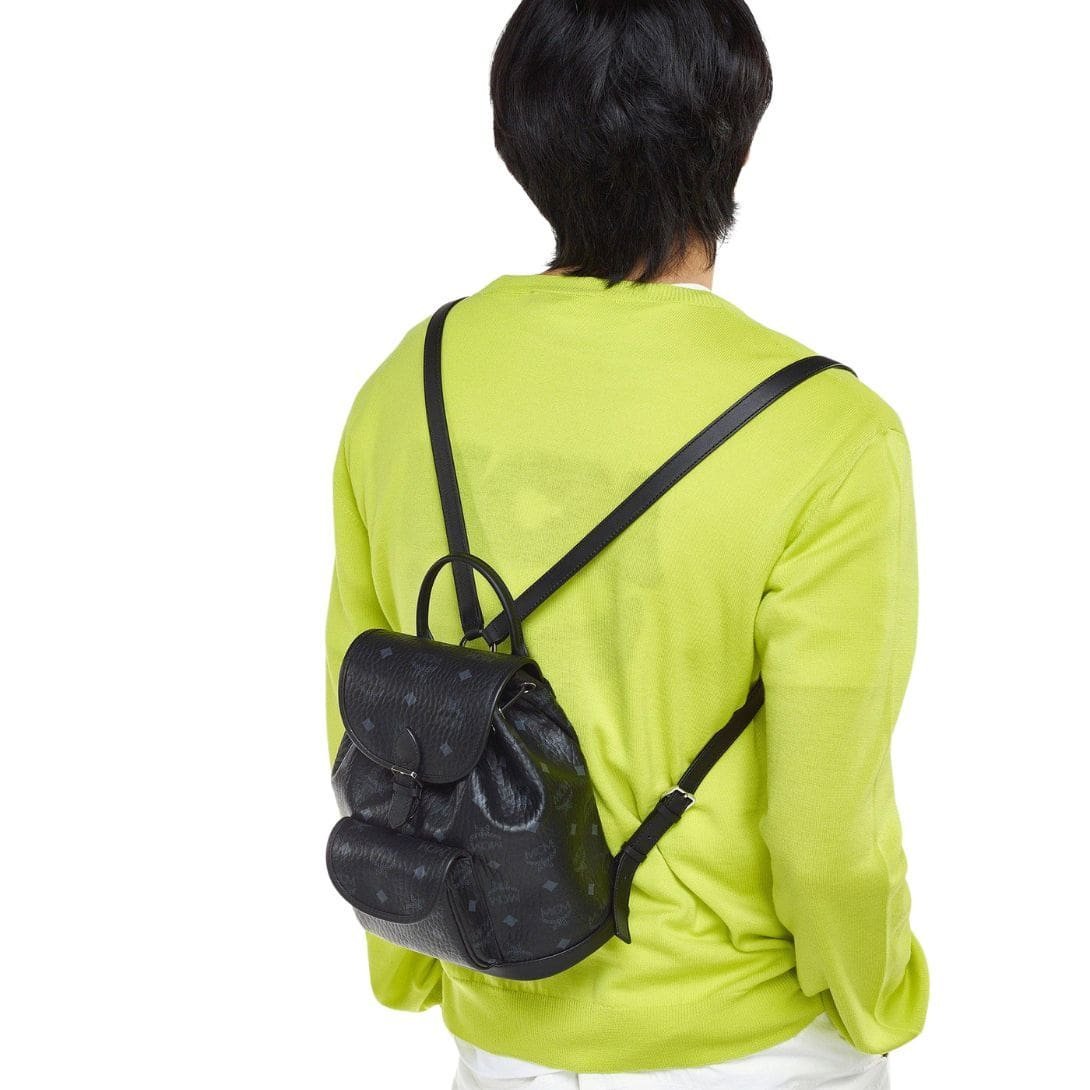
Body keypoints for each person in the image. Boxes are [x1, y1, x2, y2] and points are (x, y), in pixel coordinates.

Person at [324, 1, 928, 1086]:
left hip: (498, 1023)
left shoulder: (405, 383)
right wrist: (882, 1000)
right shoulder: (829, 433)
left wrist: (410, 959)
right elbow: (826, 826)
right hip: (749, 1044)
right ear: (737, 141)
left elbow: (368, 711)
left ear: (518, 137)